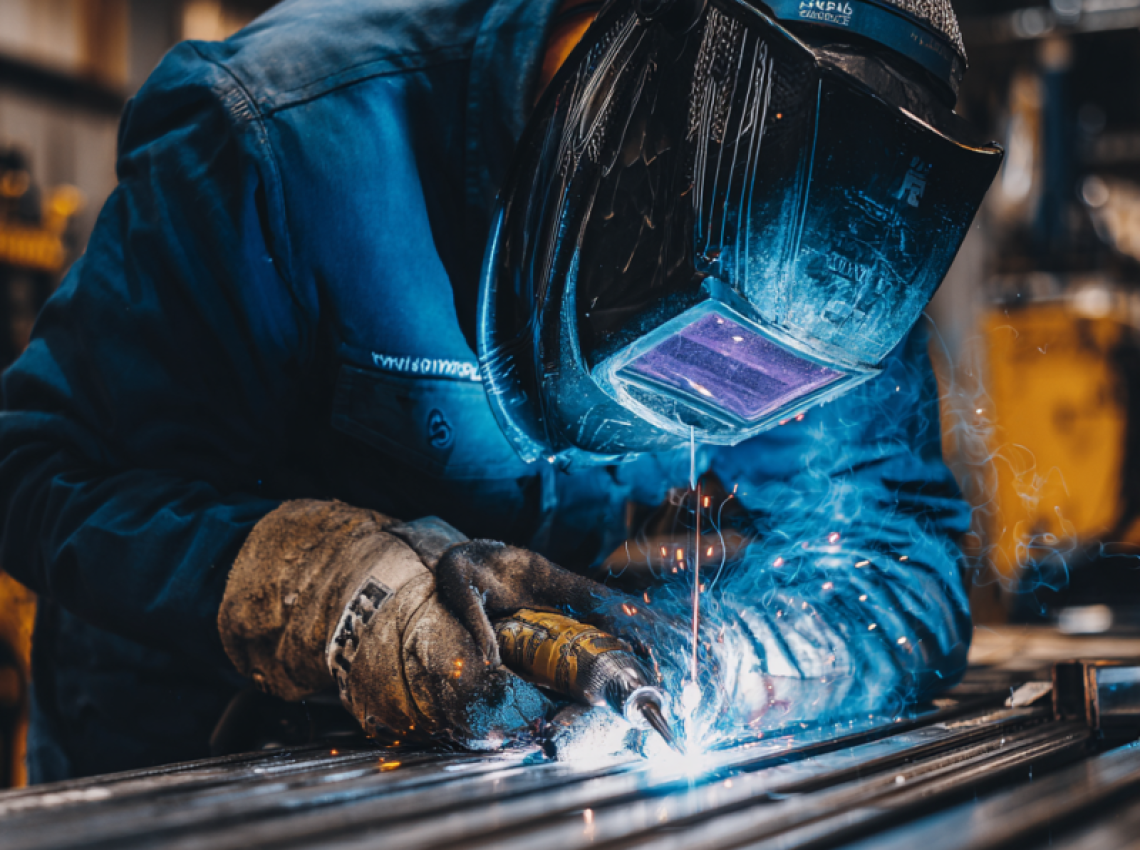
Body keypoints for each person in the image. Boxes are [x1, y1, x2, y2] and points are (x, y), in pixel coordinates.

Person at [0, 0, 1000, 783]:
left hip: (525, 783)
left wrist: (719, 662)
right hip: (197, 772)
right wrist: (323, 591)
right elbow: (41, 464)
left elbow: (895, 557)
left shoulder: (840, 236)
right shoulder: (284, 139)